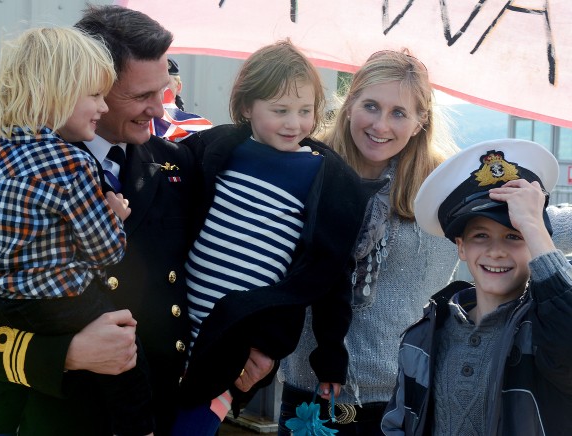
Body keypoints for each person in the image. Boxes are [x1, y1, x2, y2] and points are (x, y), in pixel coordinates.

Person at [0, 5, 272, 436]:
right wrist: (67, 353)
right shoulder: (13, 170)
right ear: (89, 85)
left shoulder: (177, 164)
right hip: (56, 418)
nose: (160, 109)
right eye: (140, 96)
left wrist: (257, 344)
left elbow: (229, 258)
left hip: (160, 410)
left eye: (163, 90)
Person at [277, 49, 572, 435]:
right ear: (349, 105)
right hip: (306, 399)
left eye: (399, 113)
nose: (381, 125)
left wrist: (532, 215)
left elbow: (531, 222)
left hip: (404, 403)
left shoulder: (446, 194)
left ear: (420, 121)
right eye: (370, 106)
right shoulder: (302, 167)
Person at [172, 40, 385, 435]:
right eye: (280, 111)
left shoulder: (319, 176)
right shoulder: (217, 150)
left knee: (192, 425)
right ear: (247, 107)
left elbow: (329, 272)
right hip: (176, 322)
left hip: (236, 339)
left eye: (305, 111)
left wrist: (329, 354)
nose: (294, 124)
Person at [0, 26, 155, 436]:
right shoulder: (72, 163)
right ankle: (139, 428)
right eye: (93, 95)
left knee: (13, 375)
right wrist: (115, 217)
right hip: (56, 298)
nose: (102, 108)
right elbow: (105, 251)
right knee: (126, 350)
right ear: (53, 95)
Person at [382, 138, 572, 435]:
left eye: (514, 236)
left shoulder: (544, 334)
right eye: (480, 236)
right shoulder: (423, 338)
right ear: (461, 247)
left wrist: (533, 226)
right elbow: (398, 425)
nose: (496, 251)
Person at [149, 55, 213, 142]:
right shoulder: (136, 125)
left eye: (165, 84)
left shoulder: (193, 129)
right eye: (152, 83)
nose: (158, 90)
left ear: (178, 87)